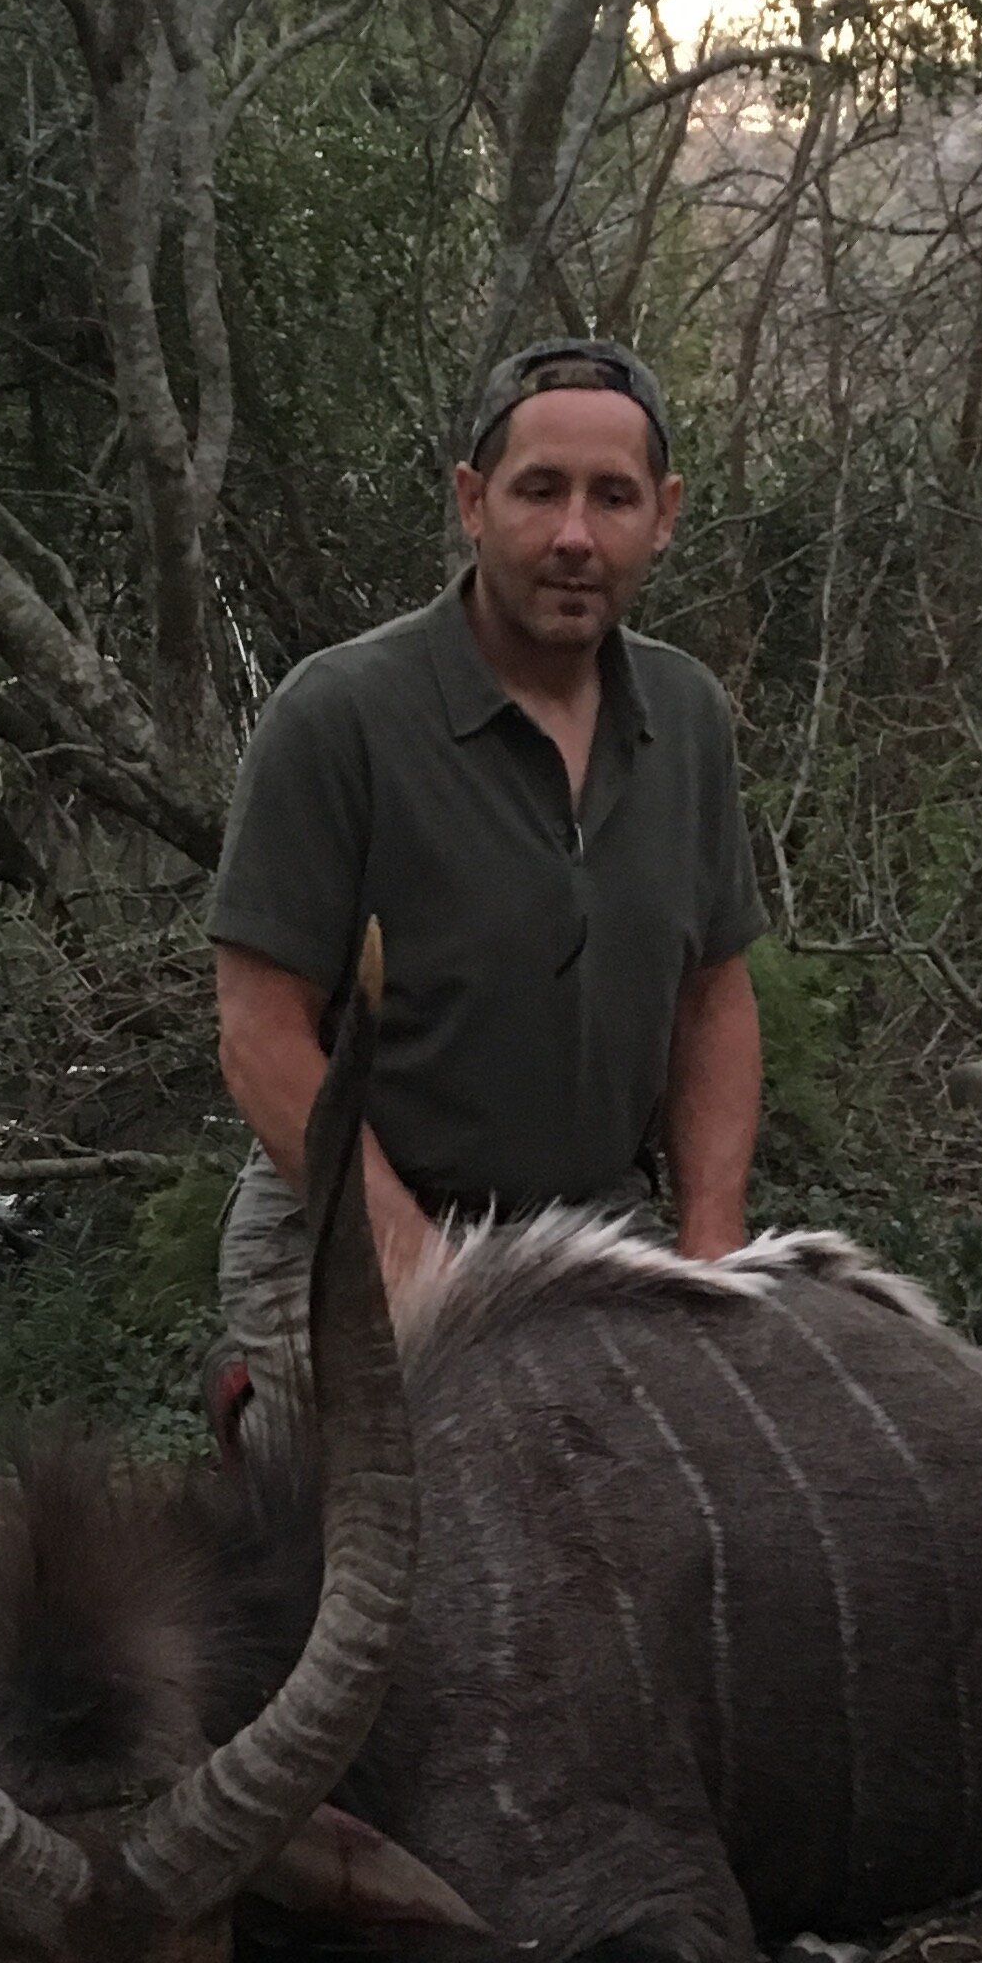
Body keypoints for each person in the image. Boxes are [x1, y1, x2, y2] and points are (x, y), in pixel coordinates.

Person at [206, 337, 766, 1444]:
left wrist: (711, 1248)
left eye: (612, 499)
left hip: (591, 1225)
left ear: (664, 515)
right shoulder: (341, 715)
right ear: (472, 502)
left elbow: (713, 1001)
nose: (573, 536)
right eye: (538, 491)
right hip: (349, 1234)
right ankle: (261, 1423)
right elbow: (260, 1033)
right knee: (417, 1554)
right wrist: (422, 1271)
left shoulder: (687, 716)